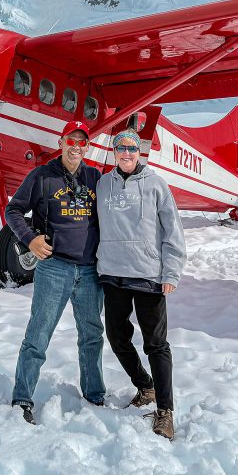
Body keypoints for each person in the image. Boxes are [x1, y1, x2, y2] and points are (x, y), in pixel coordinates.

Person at [7, 120, 105, 424]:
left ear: (87, 147)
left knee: (92, 335)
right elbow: (13, 211)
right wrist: (30, 239)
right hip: (54, 267)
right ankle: (22, 398)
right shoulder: (41, 176)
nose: (76, 147)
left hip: (90, 270)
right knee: (38, 333)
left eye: (82, 142)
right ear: (61, 142)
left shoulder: (95, 178)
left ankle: (95, 395)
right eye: (71, 141)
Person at [97, 128, 186, 441]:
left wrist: (171, 273)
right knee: (117, 336)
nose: (126, 154)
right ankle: (145, 386)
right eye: (120, 148)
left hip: (148, 275)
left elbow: (172, 231)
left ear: (140, 153)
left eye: (132, 149)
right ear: (114, 152)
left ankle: (165, 411)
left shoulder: (156, 185)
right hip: (113, 273)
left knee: (156, 344)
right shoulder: (103, 183)